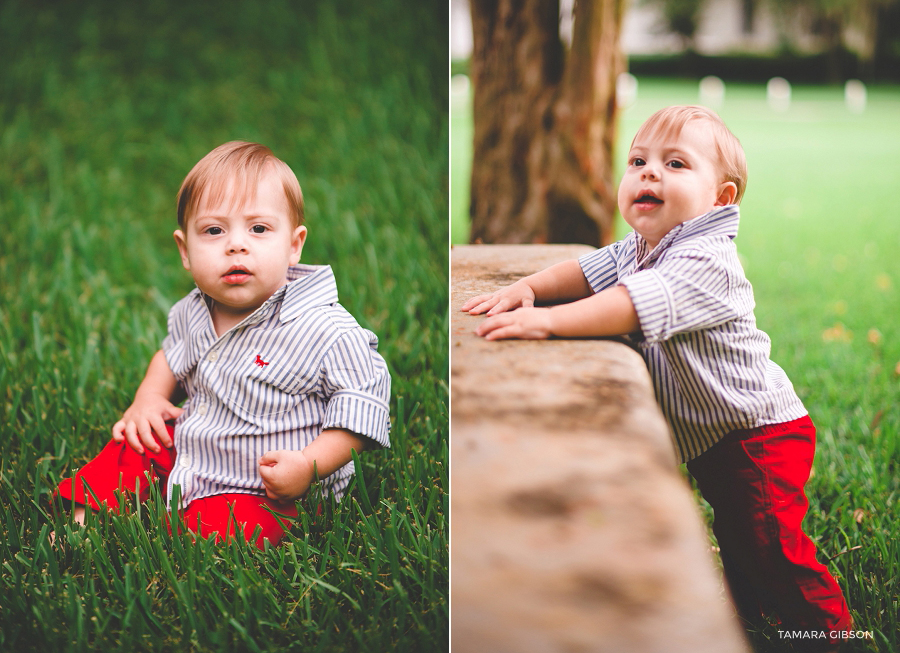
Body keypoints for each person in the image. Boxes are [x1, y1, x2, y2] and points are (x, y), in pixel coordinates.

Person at [461, 106, 850, 649]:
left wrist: (547, 322)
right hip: (719, 438)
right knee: (740, 539)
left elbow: (628, 307)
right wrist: (530, 288)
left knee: (773, 548)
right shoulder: (645, 246)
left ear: (722, 198)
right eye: (638, 160)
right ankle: (762, 625)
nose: (649, 173)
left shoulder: (705, 258)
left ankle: (827, 633)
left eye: (675, 164)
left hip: (758, 437)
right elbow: (586, 272)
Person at [54, 141, 391, 548]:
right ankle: (82, 520)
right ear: (185, 250)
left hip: (274, 484)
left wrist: (307, 465)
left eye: (259, 229)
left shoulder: (325, 327)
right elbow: (170, 357)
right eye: (214, 230)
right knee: (136, 441)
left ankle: (176, 535)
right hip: (199, 444)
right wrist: (147, 400)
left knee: (223, 526)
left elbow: (362, 405)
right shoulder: (193, 311)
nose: (236, 244)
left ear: (294, 244)